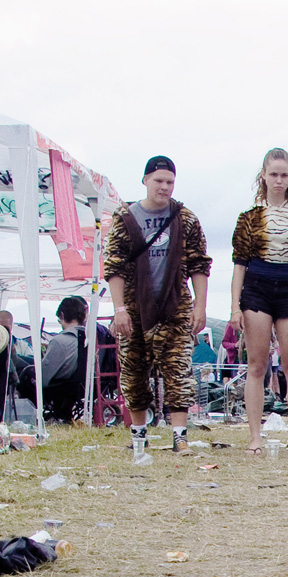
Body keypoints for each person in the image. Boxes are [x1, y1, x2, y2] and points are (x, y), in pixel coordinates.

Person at [105, 155, 212, 455]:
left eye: (169, 182)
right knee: (134, 369)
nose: (164, 187)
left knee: (178, 369)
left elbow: (199, 265)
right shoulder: (125, 216)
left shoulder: (185, 217)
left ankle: (180, 435)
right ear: (145, 181)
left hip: (174, 305)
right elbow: (113, 265)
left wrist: (199, 306)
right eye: (159, 181)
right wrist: (119, 309)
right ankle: (139, 434)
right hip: (133, 305)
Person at [230, 148, 288, 458]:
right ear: (264, 176)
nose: (279, 180)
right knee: (256, 366)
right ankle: (255, 436)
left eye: (284, 175)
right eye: (274, 174)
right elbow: (238, 266)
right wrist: (234, 308)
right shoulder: (249, 218)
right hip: (256, 289)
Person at [40, 297, 88, 422]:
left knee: (26, 377)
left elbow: (43, 379)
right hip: (83, 388)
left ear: (62, 315)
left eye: (59, 319)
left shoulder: (59, 341)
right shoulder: (91, 339)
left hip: (61, 388)